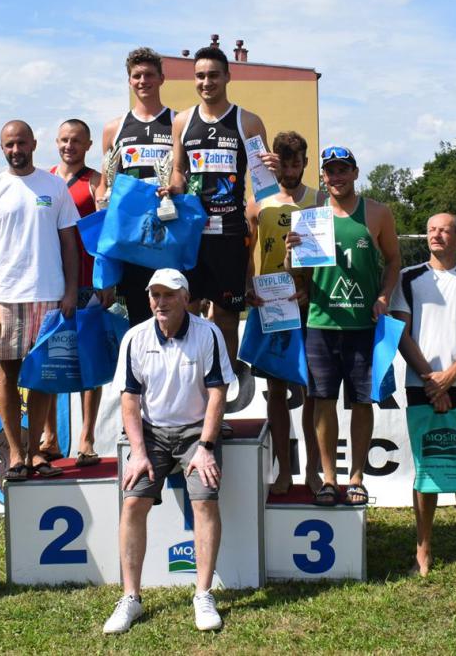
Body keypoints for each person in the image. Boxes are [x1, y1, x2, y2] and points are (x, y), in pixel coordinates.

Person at [104, 268, 233, 635]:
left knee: (204, 502)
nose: (160, 302)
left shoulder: (208, 333)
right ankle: (131, 597)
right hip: (152, 435)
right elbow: (130, 400)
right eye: (155, 295)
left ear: (186, 298)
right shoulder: (135, 337)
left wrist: (205, 447)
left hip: (196, 432)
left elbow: (217, 393)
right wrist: (139, 452)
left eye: (169, 295)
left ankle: (203, 594)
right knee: (133, 503)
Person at [289, 146, 401, 507]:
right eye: (330, 171)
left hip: (363, 325)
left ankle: (356, 477)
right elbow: (299, 277)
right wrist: (292, 255)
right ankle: (328, 479)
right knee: (322, 401)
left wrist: (383, 295)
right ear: (323, 176)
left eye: (343, 170)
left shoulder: (378, 212)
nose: (336, 177)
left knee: (362, 402)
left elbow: (394, 260)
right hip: (321, 323)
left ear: (355, 173)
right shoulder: (310, 217)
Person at [389, 213, 456, 578]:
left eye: (444, 230)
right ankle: (422, 552)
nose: (436, 235)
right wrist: (431, 381)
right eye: (431, 230)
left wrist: (448, 379)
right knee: (426, 468)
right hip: (421, 383)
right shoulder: (407, 278)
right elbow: (401, 334)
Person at [0, 119, 79, 481]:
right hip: (7, 298)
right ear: (2, 148)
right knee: (8, 374)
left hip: (50, 297)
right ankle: (15, 453)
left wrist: (70, 291)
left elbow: (69, 244)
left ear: (33, 143)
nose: (15, 150)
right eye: (9, 145)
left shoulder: (54, 186)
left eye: (21, 143)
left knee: (44, 378)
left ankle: (36, 452)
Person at [167, 44, 280, 377]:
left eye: (213, 75)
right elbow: (178, 170)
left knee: (227, 319)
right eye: (200, 76)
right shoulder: (183, 121)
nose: (207, 82)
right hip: (192, 234)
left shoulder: (248, 121)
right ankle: (192, 391)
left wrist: (273, 168)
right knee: (186, 313)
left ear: (228, 77)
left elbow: (264, 180)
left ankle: (225, 393)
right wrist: (173, 188)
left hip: (230, 232)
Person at [244, 130, 321, 494]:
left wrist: (311, 289)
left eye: (296, 164)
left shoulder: (319, 201)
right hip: (270, 304)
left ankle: (313, 472)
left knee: (312, 392)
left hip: (308, 305)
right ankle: (283, 471)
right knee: (275, 392)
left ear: (305, 162)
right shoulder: (258, 202)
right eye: (284, 164)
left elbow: (328, 258)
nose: (291, 171)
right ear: (274, 163)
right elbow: (246, 252)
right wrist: (248, 286)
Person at [46, 117, 110, 466]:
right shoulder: (44, 179)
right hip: (49, 283)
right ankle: (50, 437)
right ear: (56, 142)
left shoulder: (97, 182)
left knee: (88, 359)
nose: (69, 146)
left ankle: (86, 437)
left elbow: (107, 234)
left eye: (76, 140)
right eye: (64, 140)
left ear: (88, 146)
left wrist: (107, 280)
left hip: (87, 281)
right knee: (49, 360)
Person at [98, 46, 174, 327]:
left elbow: (182, 177)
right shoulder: (114, 128)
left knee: (173, 311)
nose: (143, 81)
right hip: (131, 235)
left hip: (168, 232)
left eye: (149, 75)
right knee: (139, 315)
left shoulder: (178, 122)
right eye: (137, 76)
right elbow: (105, 183)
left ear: (161, 78)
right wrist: (103, 207)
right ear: (129, 80)